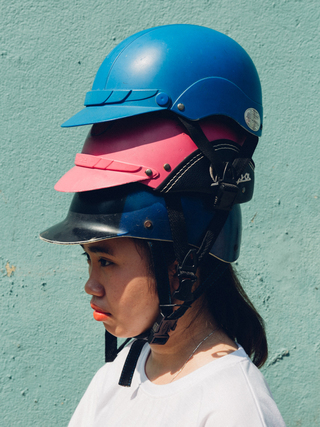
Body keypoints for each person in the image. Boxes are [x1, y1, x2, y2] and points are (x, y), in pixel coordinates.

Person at [40, 25, 286, 426]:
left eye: (106, 262)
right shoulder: (120, 371)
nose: (91, 285)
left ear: (180, 262)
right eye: (89, 260)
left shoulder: (233, 405)